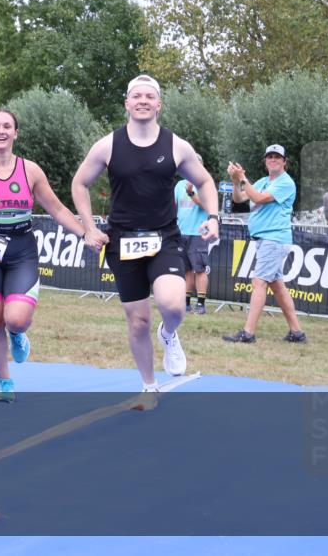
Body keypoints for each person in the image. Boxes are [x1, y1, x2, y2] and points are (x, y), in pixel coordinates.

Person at [72, 75, 218, 393]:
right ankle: (149, 385)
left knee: (173, 305)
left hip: (164, 237)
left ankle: (169, 333)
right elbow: (79, 183)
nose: (142, 101)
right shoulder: (108, 145)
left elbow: (205, 182)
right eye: (136, 96)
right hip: (122, 241)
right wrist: (89, 227)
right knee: (137, 321)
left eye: (149, 97)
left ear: (158, 105)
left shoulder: (176, 145)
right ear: (127, 103)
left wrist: (214, 217)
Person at [0, 109, 90, 403]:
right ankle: (5, 382)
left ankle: (18, 335)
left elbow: (58, 209)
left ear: (16, 133)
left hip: (21, 251)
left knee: (16, 319)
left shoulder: (30, 170)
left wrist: (85, 233)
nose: (1, 131)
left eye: (7, 126)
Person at [223, 144, 307, 343]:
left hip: (274, 238)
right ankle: (297, 333)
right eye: (270, 156)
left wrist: (243, 178)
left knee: (258, 282)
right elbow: (240, 198)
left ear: (284, 161)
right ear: (265, 161)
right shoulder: (261, 181)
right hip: (266, 239)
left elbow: (259, 198)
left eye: (277, 156)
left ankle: (248, 333)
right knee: (277, 286)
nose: (273, 159)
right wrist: (236, 182)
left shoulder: (286, 183)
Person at [175, 154, 214, 314]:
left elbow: (207, 206)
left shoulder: (205, 184)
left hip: (199, 233)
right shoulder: (179, 185)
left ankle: (201, 304)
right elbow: (173, 206)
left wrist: (192, 193)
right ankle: (186, 304)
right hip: (181, 232)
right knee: (186, 270)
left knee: (200, 269)